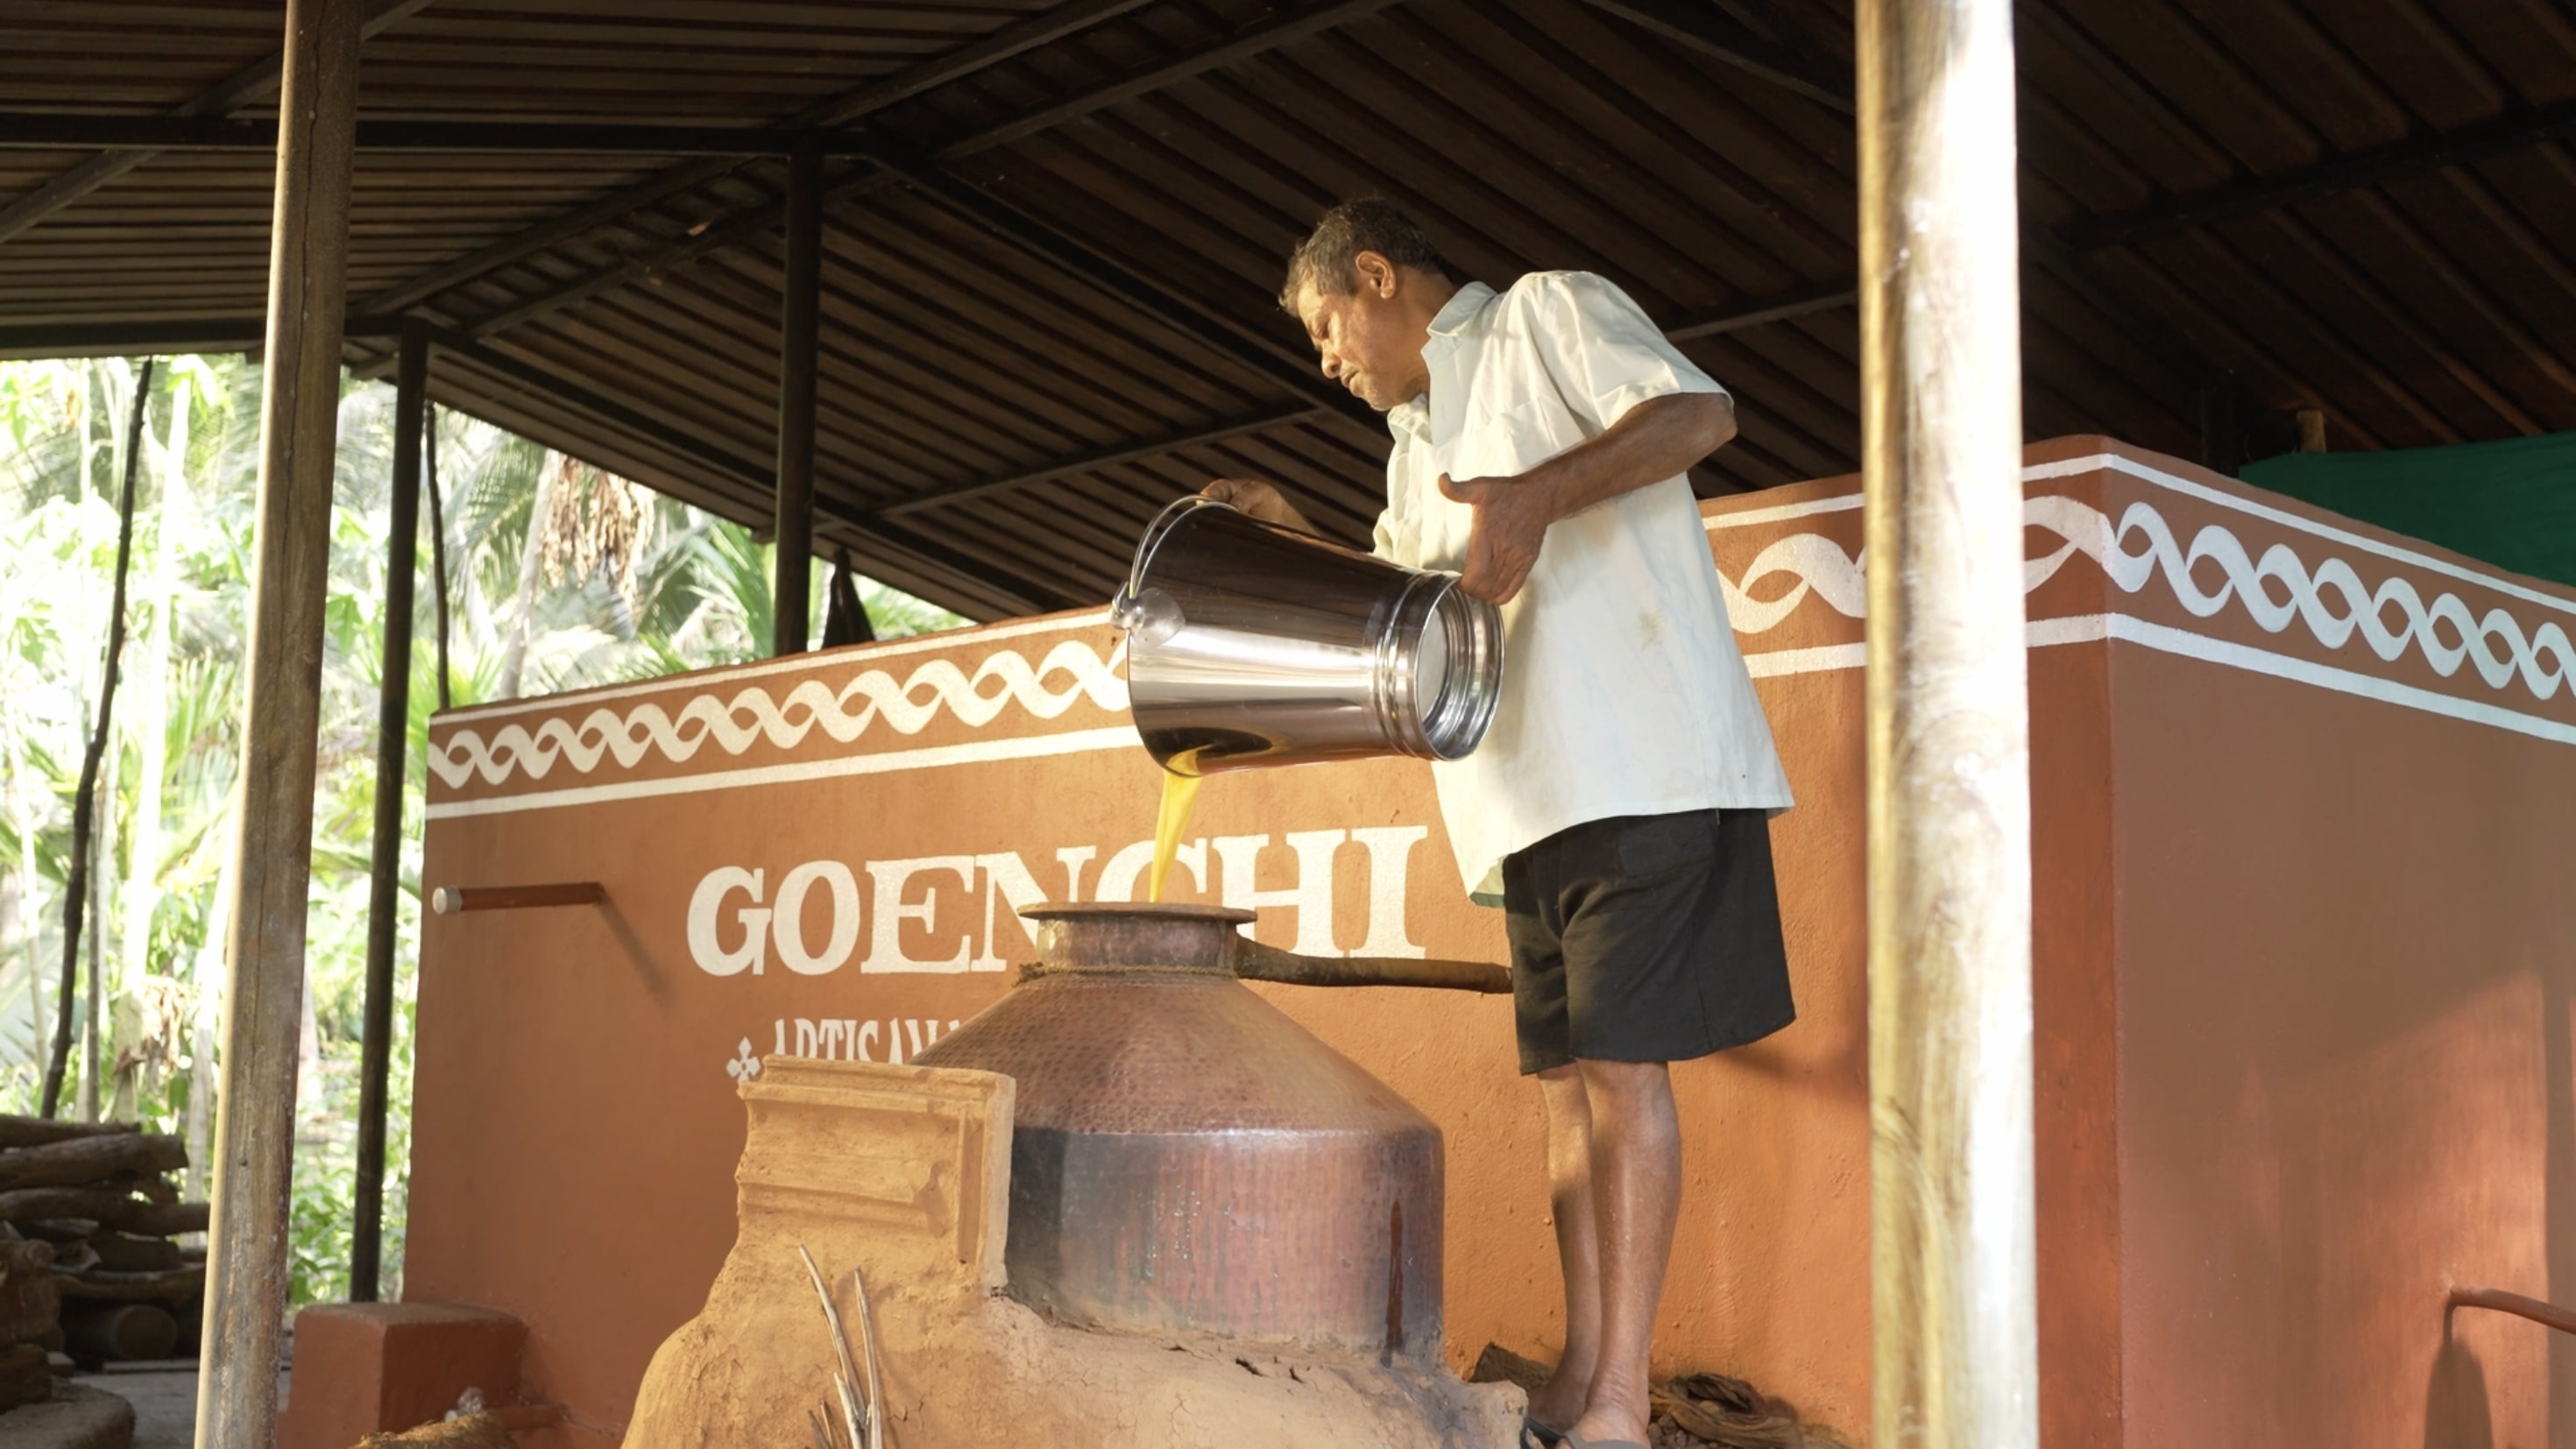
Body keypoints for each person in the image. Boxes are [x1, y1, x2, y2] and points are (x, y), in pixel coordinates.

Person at [1202, 199, 1795, 1449]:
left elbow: (1701, 415)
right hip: (1524, 803)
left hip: (1640, 763)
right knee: (1570, 1091)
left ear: (1375, 275)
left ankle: (1622, 1407)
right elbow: (1409, 596)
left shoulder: (1545, 315)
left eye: (1324, 328)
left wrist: (1537, 492)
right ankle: (1585, 1376)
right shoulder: (1413, 447)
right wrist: (1285, 533)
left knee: (1625, 1072)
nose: (1327, 360)